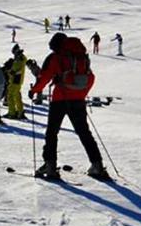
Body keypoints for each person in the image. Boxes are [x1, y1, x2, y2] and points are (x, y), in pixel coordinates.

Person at [31, 33, 109, 181]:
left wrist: (34, 91)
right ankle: (97, 165)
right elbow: (90, 77)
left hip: (59, 99)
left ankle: (50, 166)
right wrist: (80, 93)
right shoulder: (80, 56)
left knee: (52, 132)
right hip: (78, 100)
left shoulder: (56, 57)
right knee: (84, 133)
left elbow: (45, 77)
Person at [4, 50, 28, 119]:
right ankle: (20, 111)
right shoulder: (22, 60)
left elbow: (14, 72)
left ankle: (12, 113)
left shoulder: (18, 62)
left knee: (10, 96)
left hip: (15, 81)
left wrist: (8, 72)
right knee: (17, 96)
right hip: (18, 81)